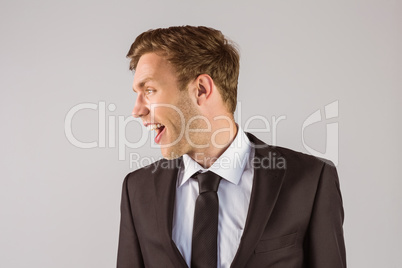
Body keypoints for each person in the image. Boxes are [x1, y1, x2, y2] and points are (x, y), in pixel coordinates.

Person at [117, 25, 346, 268]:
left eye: (149, 90)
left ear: (201, 89)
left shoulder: (310, 180)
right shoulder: (137, 189)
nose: (137, 110)